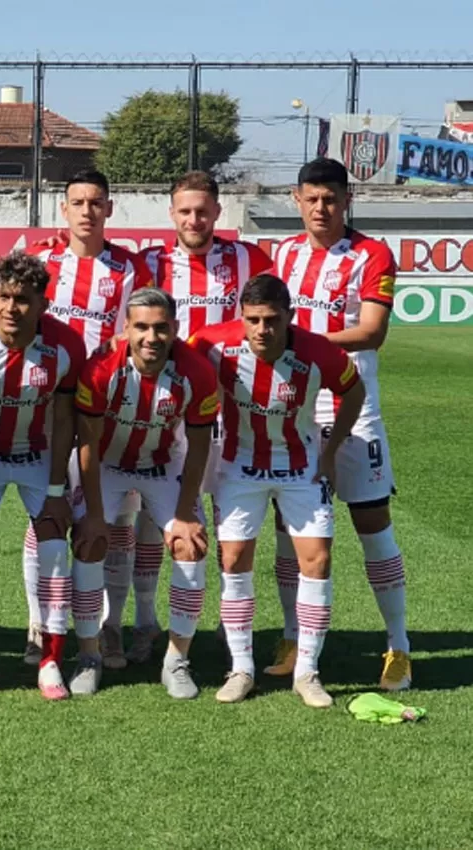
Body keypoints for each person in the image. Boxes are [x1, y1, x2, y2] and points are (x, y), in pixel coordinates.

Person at [105, 172, 273, 667]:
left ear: (218, 211)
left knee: (226, 525)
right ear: (171, 213)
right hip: (158, 410)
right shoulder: (149, 265)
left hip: (229, 415)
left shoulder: (249, 260)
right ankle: (139, 622)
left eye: (202, 211)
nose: (194, 220)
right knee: (138, 523)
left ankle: (229, 626)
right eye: (184, 211)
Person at [190, 273, 364, 708]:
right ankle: (242, 668)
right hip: (239, 467)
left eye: (271, 320)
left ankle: (307, 672)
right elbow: (176, 362)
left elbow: (354, 390)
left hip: (301, 467)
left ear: (290, 317)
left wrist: (331, 450)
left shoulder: (319, 351)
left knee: (317, 561)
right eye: (253, 320)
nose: (262, 330)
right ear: (241, 318)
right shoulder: (212, 344)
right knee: (232, 559)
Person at [272, 158, 410, 691]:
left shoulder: (372, 253)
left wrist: (299, 342)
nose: (321, 208)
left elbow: (372, 332)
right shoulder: (281, 255)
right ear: (297, 199)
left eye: (330, 198)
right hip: (294, 411)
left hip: (354, 411)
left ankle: (399, 644)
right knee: (290, 533)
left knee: (373, 527)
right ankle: (291, 636)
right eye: (311, 198)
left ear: (346, 200)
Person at [24, 169, 152, 669]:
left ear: (109, 209)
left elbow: (135, 332)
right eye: (77, 201)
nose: (86, 210)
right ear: (63, 208)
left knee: (117, 520)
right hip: (45, 405)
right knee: (45, 518)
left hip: (108, 405)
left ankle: (110, 624)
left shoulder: (130, 268)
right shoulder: (42, 261)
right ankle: (39, 624)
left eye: (95, 202)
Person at [0, 254, 85, 701]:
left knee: (54, 553)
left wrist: (59, 488)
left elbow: (65, 420)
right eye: (3, 297)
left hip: (36, 454)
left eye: (22, 299)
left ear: (42, 304)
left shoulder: (65, 346)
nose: (10, 308)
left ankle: (49, 662)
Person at [72, 288, 220, 699]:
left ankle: (176, 659)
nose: (151, 337)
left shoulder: (196, 372)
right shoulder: (101, 367)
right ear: (126, 329)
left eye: (160, 328)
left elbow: (198, 445)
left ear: (174, 329)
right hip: (104, 464)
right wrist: (95, 515)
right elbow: (86, 444)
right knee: (90, 542)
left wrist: (189, 511)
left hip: (162, 464)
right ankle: (89, 655)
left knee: (191, 546)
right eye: (141, 327)